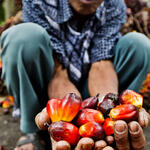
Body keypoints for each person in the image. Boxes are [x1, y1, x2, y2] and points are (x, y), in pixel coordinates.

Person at [0, 0, 150, 149]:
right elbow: (58, 74)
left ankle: (113, 132)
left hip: (90, 93)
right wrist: (68, 120)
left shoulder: (114, 5)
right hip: (49, 87)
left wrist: (107, 111)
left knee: (139, 45)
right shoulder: (38, 2)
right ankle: (32, 131)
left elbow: (101, 64)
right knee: (23, 38)